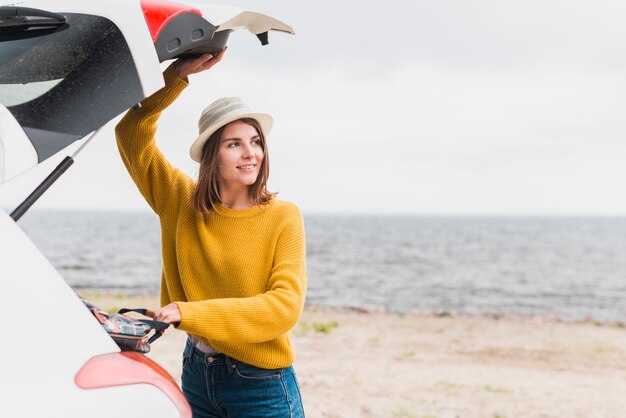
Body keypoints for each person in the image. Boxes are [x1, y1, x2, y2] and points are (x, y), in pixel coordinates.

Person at [115, 51, 307, 417]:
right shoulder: (179, 201)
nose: (250, 153)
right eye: (234, 143)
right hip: (197, 373)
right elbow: (131, 134)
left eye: (256, 141)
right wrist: (176, 76)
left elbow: (283, 308)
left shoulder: (284, 216)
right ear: (211, 155)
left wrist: (187, 313)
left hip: (261, 383)